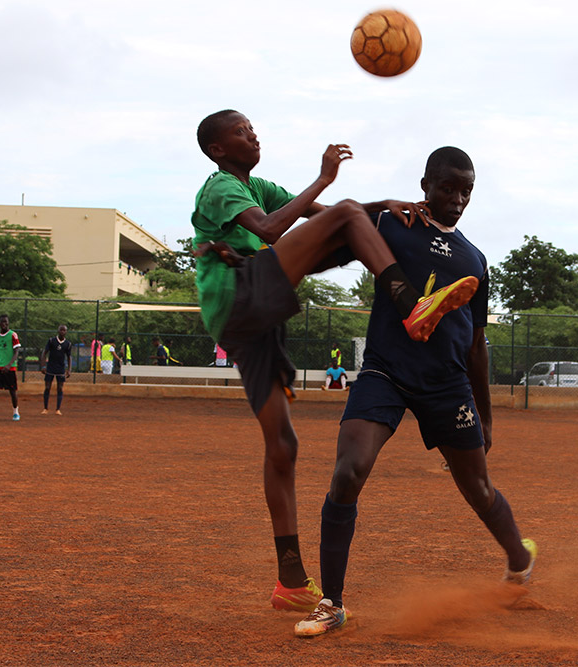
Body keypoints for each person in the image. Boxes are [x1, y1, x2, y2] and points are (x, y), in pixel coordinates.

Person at [191, 110, 479, 614]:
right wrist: (330, 181)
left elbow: (318, 216)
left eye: (253, 127)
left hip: (249, 324)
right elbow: (271, 229)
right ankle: (412, 305)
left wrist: (380, 207)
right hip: (243, 292)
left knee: (283, 446)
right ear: (217, 149)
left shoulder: (259, 185)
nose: (252, 134)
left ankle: (290, 581)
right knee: (348, 215)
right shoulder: (220, 186)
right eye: (240, 131)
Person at [295, 147, 536, 637]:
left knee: (477, 487)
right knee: (347, 473)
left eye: (466, 190)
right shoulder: (392, 225)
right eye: (448, 187)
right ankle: (332, 603)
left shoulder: (474, 258)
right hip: (385, 371)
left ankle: (518, 559)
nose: (458, 198)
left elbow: (475, 343)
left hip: (447, 385)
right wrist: (375, 204)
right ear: (425, 184)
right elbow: (333, 230)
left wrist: (486, 415)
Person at [40, 324, 71, 415]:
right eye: (61, 330)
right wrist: (43, 366)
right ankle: (45, 408)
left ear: (66, 332)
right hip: (50, 367)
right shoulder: (51, 341)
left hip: (61, 368)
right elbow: (44, 353)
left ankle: (58, 409)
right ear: (58, 331)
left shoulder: (68, 344)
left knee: (60, 388)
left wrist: (69, 369)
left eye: (64, 330)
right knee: (47, 387)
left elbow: (69, 357)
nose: (62, 332)